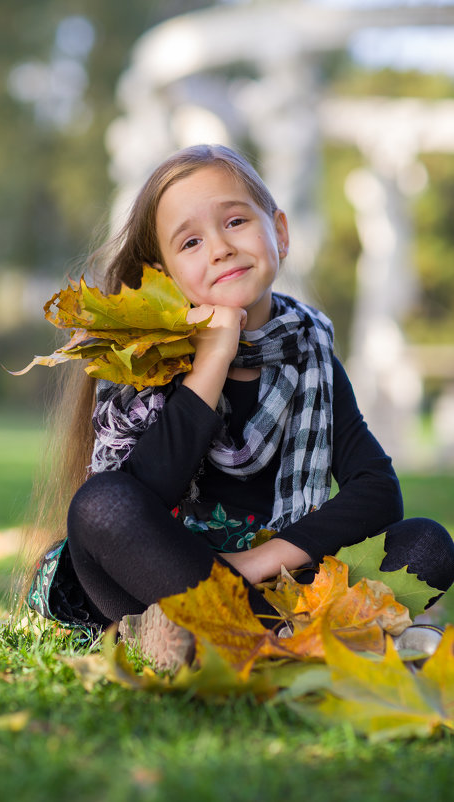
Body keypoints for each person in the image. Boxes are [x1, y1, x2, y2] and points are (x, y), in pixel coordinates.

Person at [22, 144, 454, 668]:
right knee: (102, 505)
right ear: (163, 276)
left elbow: (378, 492)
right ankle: (278, 641)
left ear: (281, 233)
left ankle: (224, 637)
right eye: (192, 241)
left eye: (235, 221)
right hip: (156, 581)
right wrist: (211, 363)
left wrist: (257, 562)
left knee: (428, 545)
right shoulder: (146, 359)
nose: (221, 248)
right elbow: (144, 493)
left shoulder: (308, 352)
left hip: (281, 586)